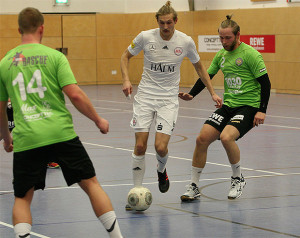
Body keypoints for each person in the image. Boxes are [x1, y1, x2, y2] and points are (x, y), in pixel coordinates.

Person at [0, 7, 123, 238]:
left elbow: (0, 110)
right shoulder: (55, 57)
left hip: (27, 138)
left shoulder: (5, 63)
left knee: (22, 198)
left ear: (18, 30)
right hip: (61, 134)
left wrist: (7, 139)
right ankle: (117, 236)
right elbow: (75, 94)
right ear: (42, 28)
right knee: (91, 185)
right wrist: (98, 120)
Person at [121, 1, 222, 210]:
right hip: (145, 97)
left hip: (168, 100)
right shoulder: (145, 37)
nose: (165, 27)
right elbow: (125, 56)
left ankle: (161, 170)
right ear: (157, 22)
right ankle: (136, 192)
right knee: (140, 146)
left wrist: (212, 92)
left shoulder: (185, 41)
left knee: (160, 147)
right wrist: (126, 80)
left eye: (169, 23)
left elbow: (200, 68)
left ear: (175, 21)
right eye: (161, 23)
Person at [179, 15, 271, 201]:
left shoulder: (251, 54)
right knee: (201, 139)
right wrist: (192, 94)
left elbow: (266, 84)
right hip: (228, 105)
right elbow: (207, 76)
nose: (223, 41)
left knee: (226, 137)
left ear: (238, 35)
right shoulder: (221, 55)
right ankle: (194, 186)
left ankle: (238, 179)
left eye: (227, 37)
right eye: (221, 37)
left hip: (248, 107)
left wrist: (262, 110)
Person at [5, 100, 59, 169]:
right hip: (18, 107)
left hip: (28, 107)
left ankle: (47, 159)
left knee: (42, 130)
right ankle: (47, 159)